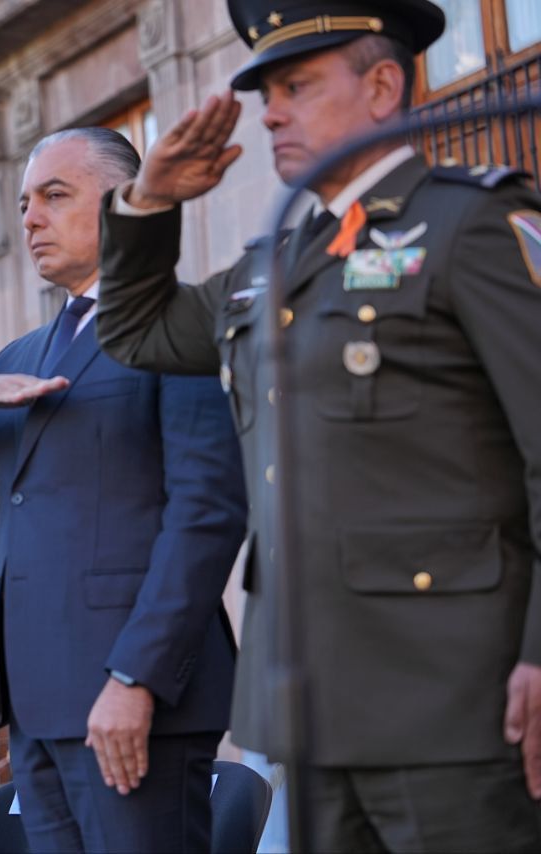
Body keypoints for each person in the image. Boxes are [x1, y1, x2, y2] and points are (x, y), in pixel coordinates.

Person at [96, 1, 541, 850]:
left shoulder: (470, 224)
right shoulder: (275, 264)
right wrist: (150, 200)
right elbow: (138, 332)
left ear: (381, 86)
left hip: (451, 701)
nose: (270, 112)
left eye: (297, 85)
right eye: (266, 91)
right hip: (308, 706)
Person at [0, 127, 247, 852]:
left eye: (55, 195)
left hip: (134, 700)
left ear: (124, 205)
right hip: (38, 705)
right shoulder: (21, 356)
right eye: (24, 203)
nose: (30, 219)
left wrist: (138, 677)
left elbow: (207, 514)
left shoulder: (180, 327)